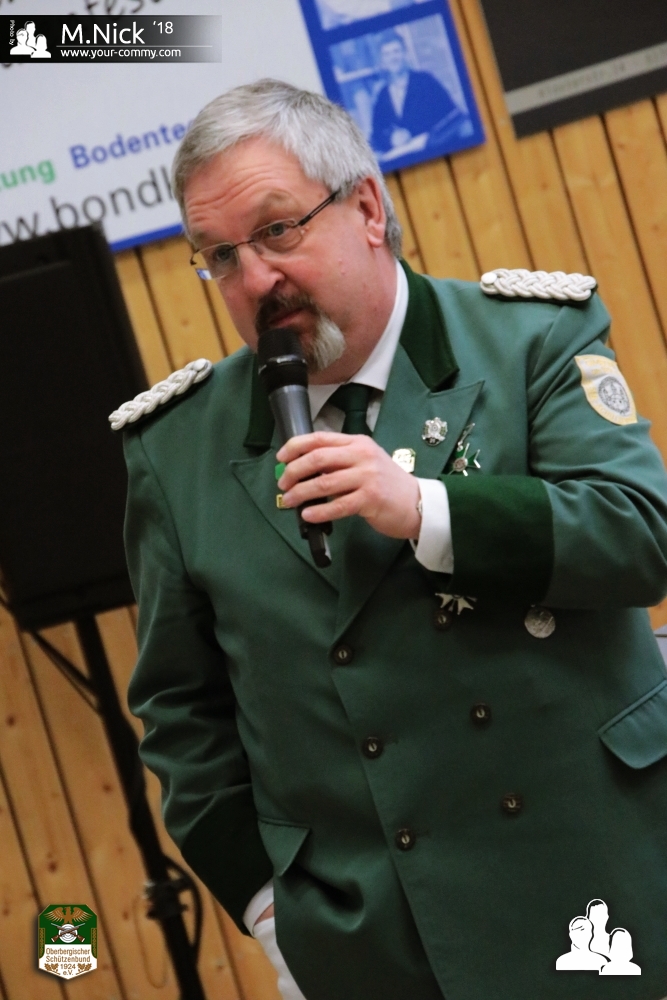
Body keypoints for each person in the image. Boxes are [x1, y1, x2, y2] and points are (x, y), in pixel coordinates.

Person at [120, 79, 667, 1000]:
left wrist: (424, 509)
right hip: (372, 935)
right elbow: (182, 713)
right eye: (220, 257)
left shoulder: (530, 338)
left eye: (277, 230)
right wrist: (266, 908)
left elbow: (638, 534)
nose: (255, 280)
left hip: (595, 880)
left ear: (368, 208)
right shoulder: (175, 449)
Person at [370, 31, 460, 154]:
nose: (393, 58)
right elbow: (376, 135)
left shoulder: (425, 80)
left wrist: (411, 132)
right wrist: (391, 139)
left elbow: (450, 115)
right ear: (383, 60)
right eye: (387, 54)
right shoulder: (382, 95)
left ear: (405, 54)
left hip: (434, 151)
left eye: (396, 51)